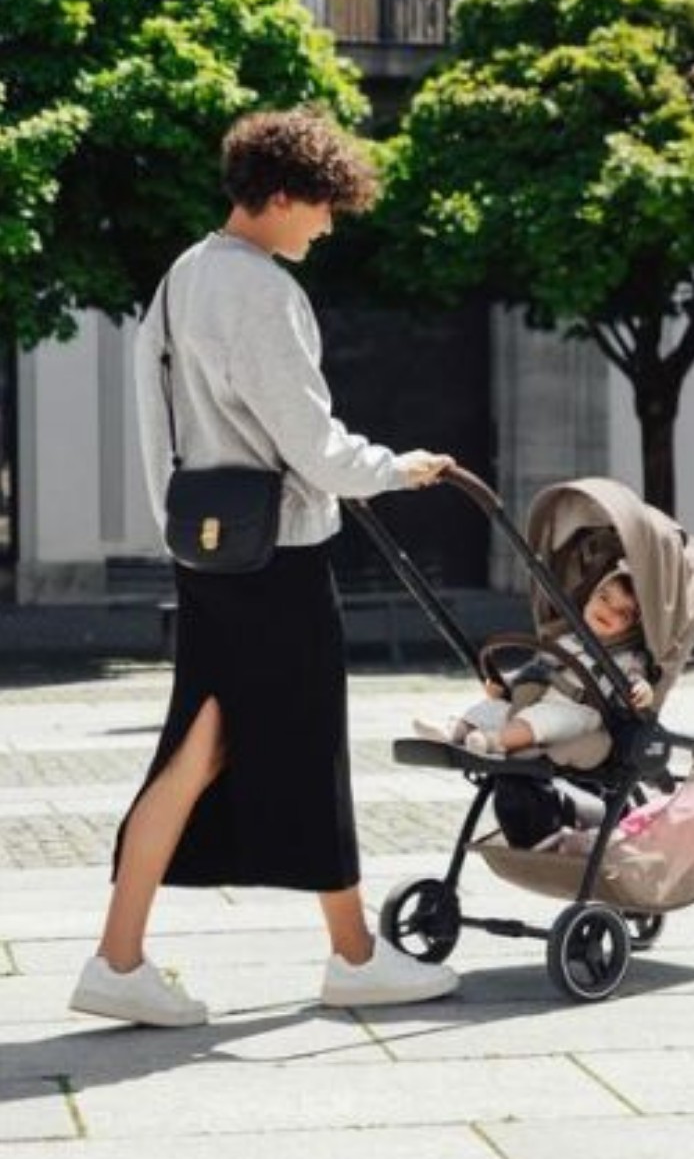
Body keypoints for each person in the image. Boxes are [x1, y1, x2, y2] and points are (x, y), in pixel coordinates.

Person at [70, 107, 458, 1028]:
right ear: (281, 196)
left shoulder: (183, 277)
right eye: (323, 207)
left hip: (208, 551)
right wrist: (396, 468)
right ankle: (353, 958)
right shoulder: (261, 291)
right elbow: (311, 445)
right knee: (307, 746)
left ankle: (118, 958)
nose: (327, 226)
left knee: (199, 745)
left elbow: (163, 432)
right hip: (278, 558)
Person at [414, 563, 655, 755]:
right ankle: (452, 732)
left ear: (632, 628)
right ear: (589, 598)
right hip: (541, 699)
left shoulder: (627, 656)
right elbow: (536, 669)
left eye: (622, 613)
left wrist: (643, 688)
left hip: (581, 713)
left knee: (539, 720)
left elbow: (636, 678)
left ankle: (493, 741)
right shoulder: (567, 640)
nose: (609, 610)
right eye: (604, 598)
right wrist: (507, 684)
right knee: (493, 708)